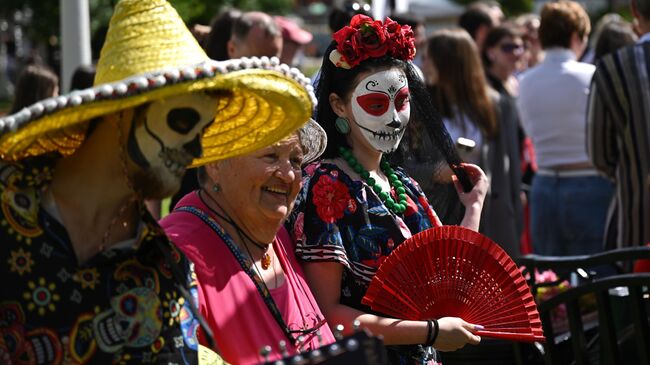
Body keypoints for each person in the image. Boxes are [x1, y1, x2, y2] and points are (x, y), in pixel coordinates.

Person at [0, 0, 316, 363]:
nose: (197, 148)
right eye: (184, 122)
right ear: (122, 111)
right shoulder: (8, 204)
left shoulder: (161, 266)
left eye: (202, 130)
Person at [287, 15, 488, 364]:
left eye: (402, 101)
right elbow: (326, 316)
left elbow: (454, 279)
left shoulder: (404, 186)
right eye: (376, 104)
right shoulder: (326, 187)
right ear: (338, 106)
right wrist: (430, 331)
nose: (394, 118)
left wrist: (474, 205)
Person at [160, 120, 334, 365]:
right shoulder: (176, 252)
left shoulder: (277, 234)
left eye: (296, 161)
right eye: (271, 156)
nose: (288, 174)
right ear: (216, 163)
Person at [412, 28, 522, 257]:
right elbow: (401, 165)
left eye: (430, 57)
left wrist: (514, 221)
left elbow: (510, 173)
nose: (424, 64)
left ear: (451, 62)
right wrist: (434, 172)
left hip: (489, 218)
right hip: (437, 218)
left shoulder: (496, 104)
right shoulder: (419, 107)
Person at [517, 0, 614, 257]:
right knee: (595, 276)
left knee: (552, 280)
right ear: (575, 36)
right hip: (590, 184)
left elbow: (528, 131)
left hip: (545, 185)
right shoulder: (593, 75)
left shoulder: (524, 82)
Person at [587, 0, 650, 249]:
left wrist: (631, 169)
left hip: (638, 221)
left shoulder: (611, 68)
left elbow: (599, 154)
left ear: (634, 11)